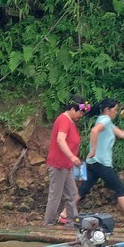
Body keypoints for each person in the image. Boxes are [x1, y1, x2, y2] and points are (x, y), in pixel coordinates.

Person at [77, 98, 124, 228]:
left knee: (83, 189)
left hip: (93, 162)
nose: (116, 112)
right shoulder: (105, 120)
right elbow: (94, 131)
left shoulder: (104, 120)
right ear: (107, 110)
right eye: (115, 110)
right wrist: (93, 149)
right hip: (101, 163)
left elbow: (121, 134)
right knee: (120, 188)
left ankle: (64, 214)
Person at [43, 96, 89, 226]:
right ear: (73, 109)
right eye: (80, 112)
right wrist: (72, 157)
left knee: (72, 193)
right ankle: (49, 223)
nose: (81, 115)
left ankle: (72, 221)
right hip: (59, 164)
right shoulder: (64, 120)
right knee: (55, 195)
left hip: (67, 165)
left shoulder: (70, 121)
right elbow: (60, 139)